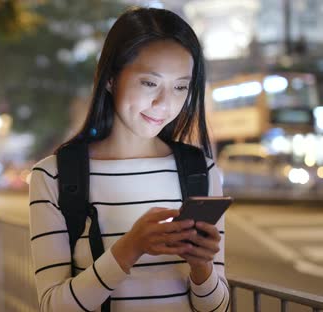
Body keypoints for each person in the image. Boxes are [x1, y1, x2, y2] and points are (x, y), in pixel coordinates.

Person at [28, 7, 229, 312]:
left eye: (180, 87)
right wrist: (130, 247)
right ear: (111, 78)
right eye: (150, 83)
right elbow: (52, 306)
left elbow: (218, 308)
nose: (165, 103)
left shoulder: (201, 171)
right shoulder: (55, 176)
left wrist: (202, 267)